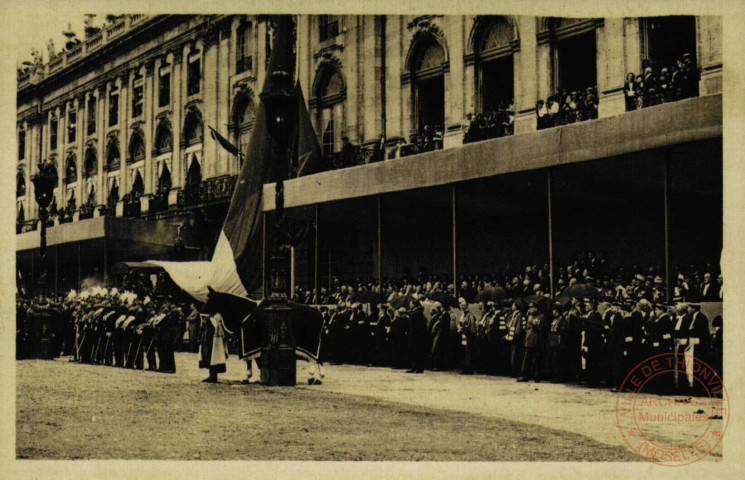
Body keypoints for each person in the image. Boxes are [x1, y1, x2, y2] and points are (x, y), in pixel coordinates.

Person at [199, 311, 231, 383]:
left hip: (212, 339)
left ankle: (213, 376)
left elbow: (215, 327)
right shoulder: (216, 315)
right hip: (213, 339)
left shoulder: (214, 316)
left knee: (212, 357)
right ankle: (212, 375)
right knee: (212, 357)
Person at [518, 302, 545, 382]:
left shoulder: (541, 317)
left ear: (536, 308)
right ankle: (525, 375)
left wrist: (532, 321)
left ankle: (537, 376)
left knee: (536, 359)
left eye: (531, 307)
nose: (529, 309)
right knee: (527, 359)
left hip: (536, 340)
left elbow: (540, 327)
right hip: (529, 340)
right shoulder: (529, 316)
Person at [457, 297, 477, 374]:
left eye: (463, 305)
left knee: (468, 352)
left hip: (468, 335)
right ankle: (466, 367)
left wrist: (464, 330)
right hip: (464, 335)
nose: (462, 306)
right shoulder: (464, 315)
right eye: (461, 305)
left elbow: (471, 327)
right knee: (465, 352)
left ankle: (468, 368)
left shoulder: (469, 315)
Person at [406, 300, 427, 373]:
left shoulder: (417, 313)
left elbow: (416, 325)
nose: (410, 305)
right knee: (414, 352)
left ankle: (418, 368)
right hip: (415, 335)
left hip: (416, 336)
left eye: (410, 303)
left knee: (417, 351)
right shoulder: (416, 312)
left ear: (413, 304)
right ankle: (414, 367)